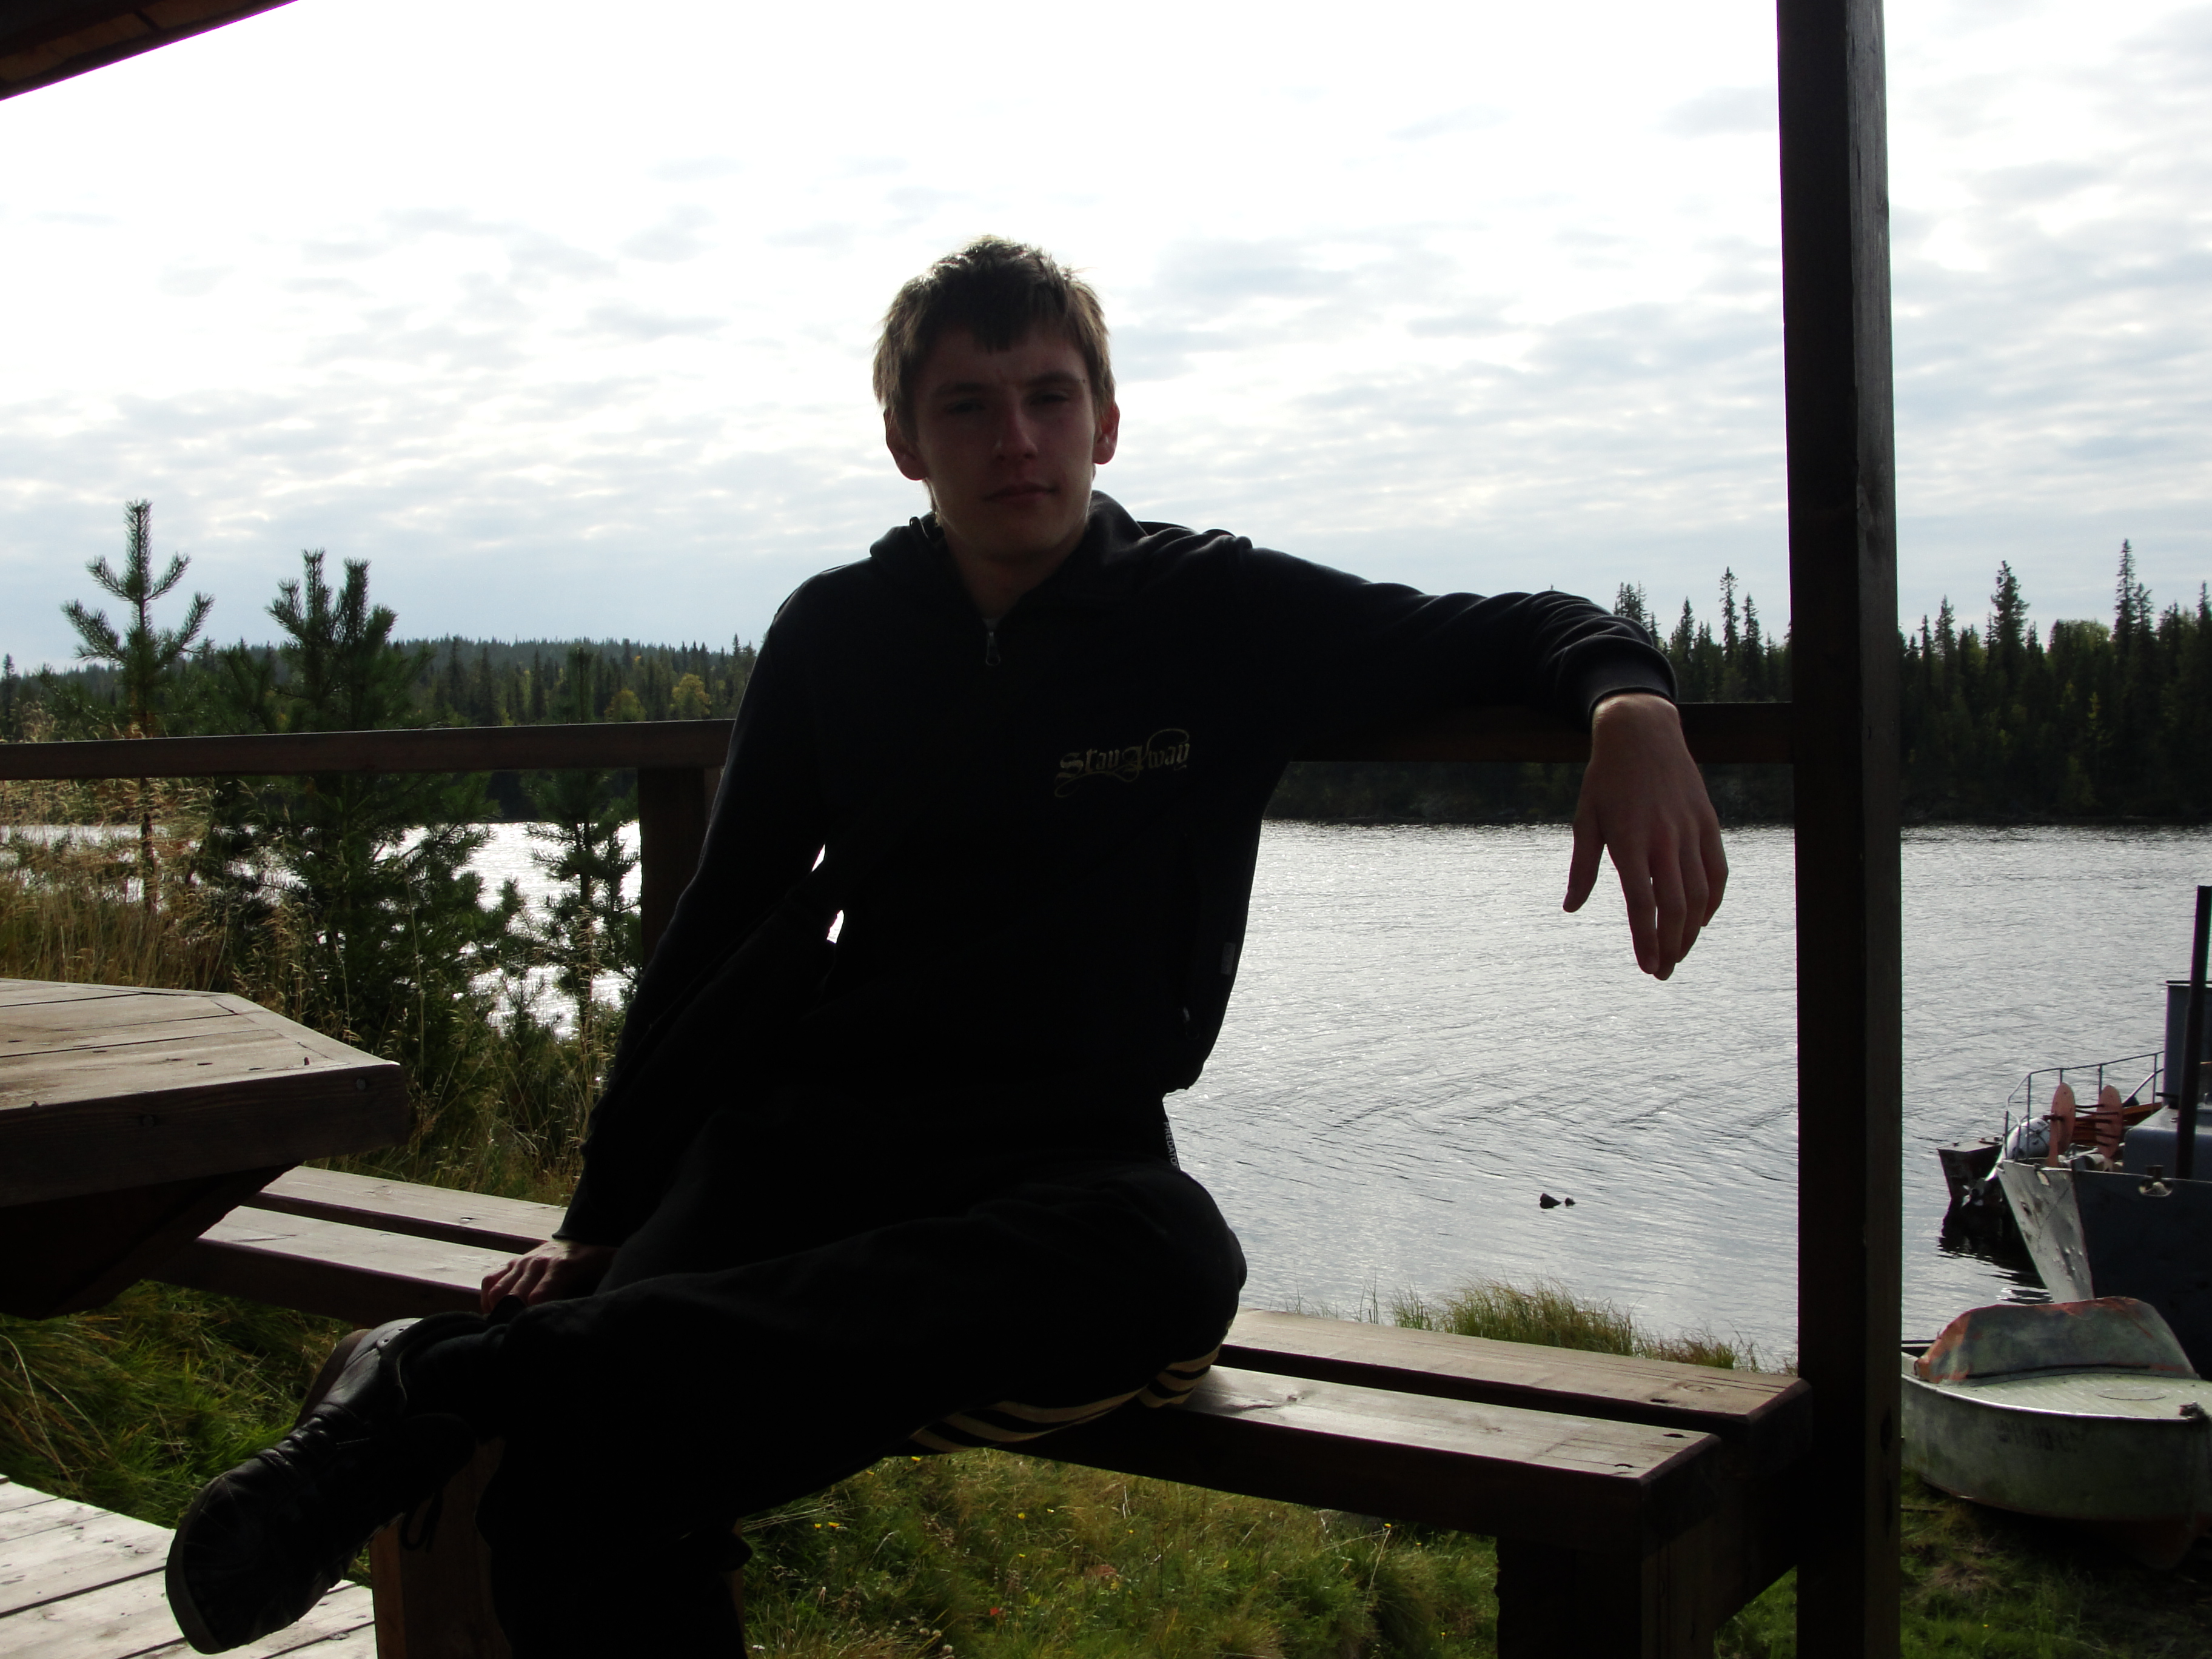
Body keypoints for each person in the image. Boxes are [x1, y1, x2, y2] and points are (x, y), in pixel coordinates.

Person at [166, 237, 1726, 1657]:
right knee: (580, 1487)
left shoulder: (1213, 614)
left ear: (1107, 423)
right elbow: (718, 930)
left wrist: (1629, 703)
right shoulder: (838, 633)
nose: (1016, 440)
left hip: (1062, 1157)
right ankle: (523, 1371)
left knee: (1171, 1264)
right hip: (807, 1142)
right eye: (968, 406)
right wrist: (606, 1214)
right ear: (907, 441)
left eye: (1050, 398)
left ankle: (440, 1382)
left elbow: (1513, 627)